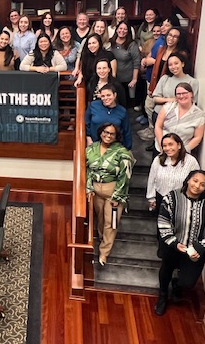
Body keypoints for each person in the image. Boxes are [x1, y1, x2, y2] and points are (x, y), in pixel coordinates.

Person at [154, 170, 205, 316]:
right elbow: (163, 222)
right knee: (166, 269)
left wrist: (203, 246)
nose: (197, 186)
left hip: (195, 250)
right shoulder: (171, 198)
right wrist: (174, 242)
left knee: (189, 283)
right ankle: (163, 296)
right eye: (195, 181)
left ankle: (177, 284)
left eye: (202, 184)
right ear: (188, 180)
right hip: (172, 245)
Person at [86, 122, 134, 266]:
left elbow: (125, 175)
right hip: (96, 191)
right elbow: (86, 169)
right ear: (101, 132)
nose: (108, 135)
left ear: (116, 136)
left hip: (113, 192)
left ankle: (104, 253)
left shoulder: (122, 152)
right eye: (105, 132)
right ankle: (102, 239)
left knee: (111, 222)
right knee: (100, 220)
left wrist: (118, 196)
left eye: (111, 133)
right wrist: (89, 188)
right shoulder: (91, 149)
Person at [146, 133, 200, 214]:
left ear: (179, 145)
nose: (167, 148)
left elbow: (197, 180)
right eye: (164, 146)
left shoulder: (191, 161)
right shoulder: (158, 160)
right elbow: (151, 179)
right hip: (161, 199)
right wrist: (151, 198)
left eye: (170, 144)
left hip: (182, 201)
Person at [154, 82, 205, 153]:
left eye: (184, 93)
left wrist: (183, 151)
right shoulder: (168, 107)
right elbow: (158, 126)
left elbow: (198, 137)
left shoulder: (199, 115)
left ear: (191, 94)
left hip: (182, 152)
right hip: (161, 149)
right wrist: (161, 145)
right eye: (178, 94)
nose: (181, 96)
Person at [85, 84, 132, 149]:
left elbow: (126, 131)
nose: (106, 98)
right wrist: (88, 138)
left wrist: (128, 148)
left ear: (114, 95)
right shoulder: (93, 105)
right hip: (94, 144)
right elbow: (86, 123)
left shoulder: (122, 111)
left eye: (108, 95)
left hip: (114, 147)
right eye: (103, 96)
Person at [110, 21, 140, 107]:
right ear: (116, 29)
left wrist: (134, 79)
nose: (122, 31)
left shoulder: (132, 44)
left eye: (125, 29)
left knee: (126, 104)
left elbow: (136, 62)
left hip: (127, 81)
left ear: (128, 31)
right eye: (120, 28)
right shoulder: (111, 42)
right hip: (114, 78)